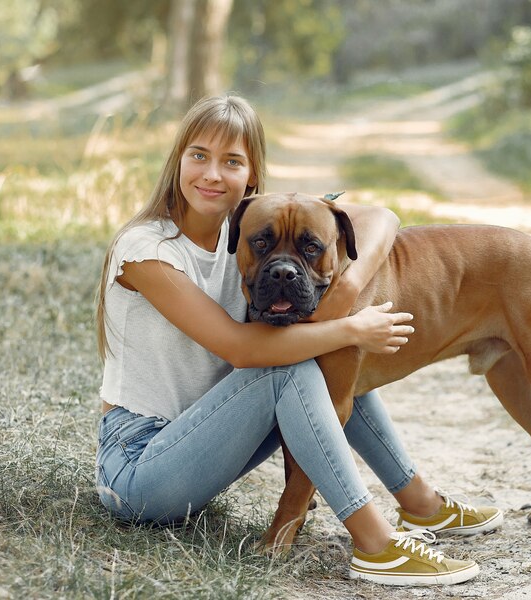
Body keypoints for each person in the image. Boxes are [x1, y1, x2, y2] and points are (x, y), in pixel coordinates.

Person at [94, 95, 503, 587]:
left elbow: (382, 217)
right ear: (177, 160)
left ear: (252, 175)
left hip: (200, 444)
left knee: (323, 357)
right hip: (139, 471)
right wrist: (349, 327)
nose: (212, 174)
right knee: (292, 358)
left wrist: (347, 289)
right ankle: (374, 543)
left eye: (232, 161)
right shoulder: (146, 250)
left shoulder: (251, 230)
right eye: (198, 155)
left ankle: (420, 505)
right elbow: (242, 350)